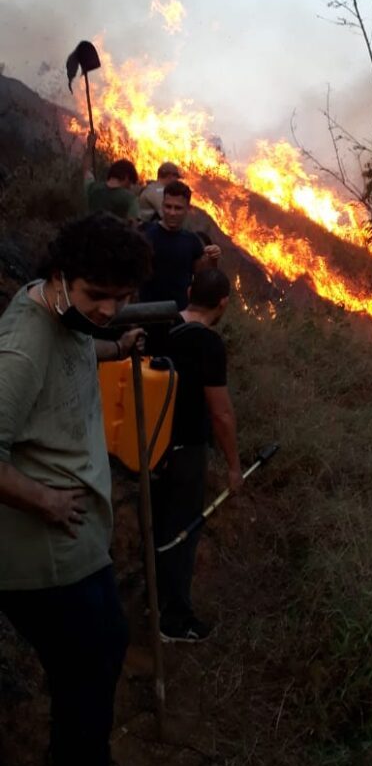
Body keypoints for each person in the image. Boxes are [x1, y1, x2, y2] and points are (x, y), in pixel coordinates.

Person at [0, 212, 152, 766]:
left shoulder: (67, 315)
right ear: (60, 278)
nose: (109, 309)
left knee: (94, 659)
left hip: (76, 543)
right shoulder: (21, 346)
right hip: (46, 553)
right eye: (98, 296)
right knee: (87, 674)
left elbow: (81, 343)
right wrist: (44, 499)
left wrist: (115, 346)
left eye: (122, 299)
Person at [153, 268, 243, 644]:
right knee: (183, 532)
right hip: (185, 451)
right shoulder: (208, 344)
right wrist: (235, 466)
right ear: (223, 303)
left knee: (158, 523)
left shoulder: (163, 324)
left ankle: (155, 599)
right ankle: (174, 620)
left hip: (149, 446)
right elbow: (221, 413)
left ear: (189, 291)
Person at [140, 179, 221, 313]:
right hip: (145, 313)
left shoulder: (192, 241)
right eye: (168, 206)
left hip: (178, 316)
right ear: (162, 205)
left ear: (188, 209)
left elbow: (204, 278)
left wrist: (213, 258)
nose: (172, 212)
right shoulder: (146, 235)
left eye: (178, 208)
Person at [83, 133, 140, 222]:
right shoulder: (130, 199)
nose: (130, 187)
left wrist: (89, 148)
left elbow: (86, 170)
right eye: (130, 183)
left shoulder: (92, 189)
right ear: (126, 177)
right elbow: (133, 224)